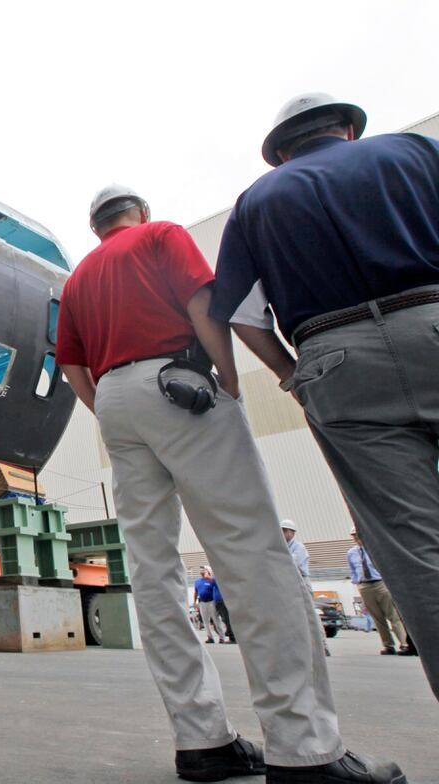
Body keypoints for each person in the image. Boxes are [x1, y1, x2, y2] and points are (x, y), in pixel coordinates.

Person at [55, 185, 404, 783]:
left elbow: (70, 364)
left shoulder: (79, 278)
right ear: (140, 211)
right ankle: (304, 746)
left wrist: (108, 410)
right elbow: (203, 302)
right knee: (250, 551)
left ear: (95, 228)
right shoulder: (161, 235)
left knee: (153, 571)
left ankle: (202, 740)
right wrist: (229, 379)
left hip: (114, 400)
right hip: (179, 381)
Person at [209, 92, 439, 703]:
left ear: (281, 152)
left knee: (415, 548)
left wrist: (292, 375)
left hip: (334, 361)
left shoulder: (256, 203)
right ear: (348, 129)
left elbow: (239, 313)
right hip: (433, 315)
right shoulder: (416, 152)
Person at [347, 528, 410, 656]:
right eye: (354, 535)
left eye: (357, 535)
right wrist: (357, 582)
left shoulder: (375, 549)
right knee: (377, 617)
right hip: (365, 585)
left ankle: (404, 643)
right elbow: (353, 570)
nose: (356, 538)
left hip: (380, 583)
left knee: (393, 615)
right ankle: (388, 645)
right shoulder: (352, 553)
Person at [282, 520, 328, 655]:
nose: (281, 533)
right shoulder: (282, 548)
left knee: (310, 612)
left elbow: (291, 564)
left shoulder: (298, 547)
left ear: (292, 532)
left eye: (284, 530)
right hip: (287, 581)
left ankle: (322, 645)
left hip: (301, 580)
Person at [194, 567, 224, 643]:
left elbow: (219, 587)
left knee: (216, 620)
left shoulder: (212, 580)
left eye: (204, 569)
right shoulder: (197, 581)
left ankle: (222, 637)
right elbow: (196, 592)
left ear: (208, 571)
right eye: (201, 569)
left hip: (211, 602)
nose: (202, 570)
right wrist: (194, 602)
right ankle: (210, 638)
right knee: (205, 621)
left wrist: (210, 576)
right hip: (202, 603)